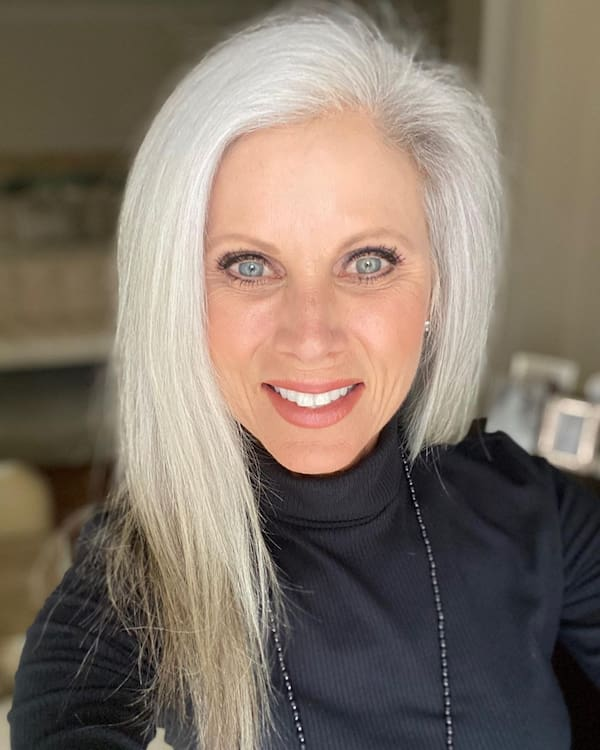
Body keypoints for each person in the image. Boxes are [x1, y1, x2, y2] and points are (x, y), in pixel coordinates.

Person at [8, 3, 600, 749]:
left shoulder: (535, 513)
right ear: (179, 298)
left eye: (368, 261)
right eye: (249, 266)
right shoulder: (135, 575)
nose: (311, 336)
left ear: (439, 289)